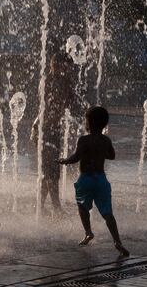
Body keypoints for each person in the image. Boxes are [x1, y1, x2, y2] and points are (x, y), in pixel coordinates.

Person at [57, 106, 130, 257]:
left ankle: (88, 232)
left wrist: (64, 160)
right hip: (101, 180)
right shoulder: (106, 140)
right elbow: (112, 156)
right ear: (104, 124)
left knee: (82, 206)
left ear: (89, 122)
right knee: (107, 213)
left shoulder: (84, 140)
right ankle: (117, 241)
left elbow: (75, 158)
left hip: (86, 179)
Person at [33, 52, 76, 215]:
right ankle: (56, 207)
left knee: (50, 170)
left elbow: (70, 103)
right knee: (52, 171)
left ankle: (41, 206)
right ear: (55, 65)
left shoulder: (63, 81)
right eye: (66, 67)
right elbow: (50, 106)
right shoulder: (49, 82)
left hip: (52, 130)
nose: (69, 70)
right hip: (43, 130)